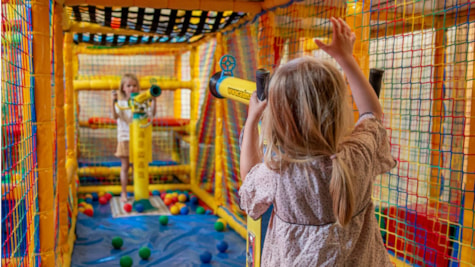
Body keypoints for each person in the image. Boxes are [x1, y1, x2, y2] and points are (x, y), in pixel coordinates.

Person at [239, 18, 397, 266]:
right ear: (339, 110)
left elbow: (249, 180)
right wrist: (346, 58)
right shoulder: (359, 155)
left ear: (278, 120)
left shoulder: (279, 171)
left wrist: (251, 121)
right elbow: (372, 114)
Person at [112, 73, 156, 202]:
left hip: (138, 139)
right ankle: (124, 193)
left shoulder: (141, 101)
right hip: (125, 138)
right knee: (125, 167)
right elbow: (115, 116)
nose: (132, 88)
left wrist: (154, 100)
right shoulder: (120, 102)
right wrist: (113, 100)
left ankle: (139, 192)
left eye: (135, 85)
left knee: (138, 167)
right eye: (128, 85)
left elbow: (151, 113)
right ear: (123, 88)